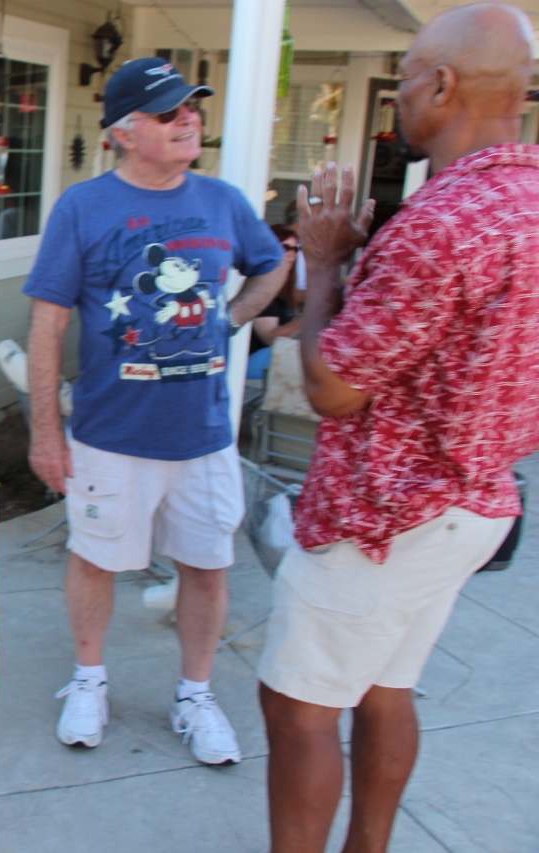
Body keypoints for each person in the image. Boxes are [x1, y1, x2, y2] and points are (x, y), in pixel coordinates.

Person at [257, 5, 539, 851]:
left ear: (444, 86)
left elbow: (334, 385)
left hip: (383, 514)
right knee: (387, 686)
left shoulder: (443, 220)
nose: (401, 99)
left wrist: (329, 260)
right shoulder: (525, 199)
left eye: (409, 80)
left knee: (299, 707)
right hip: (475, 500)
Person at [23, 57, 291, 764]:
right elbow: (47, 327)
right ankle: (89, 680)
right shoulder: (82, 208)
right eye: (170, 111)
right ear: (124, 131)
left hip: (203, 435)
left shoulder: (224, 200)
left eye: (191, 106)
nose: (188, 118)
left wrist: (231, 318)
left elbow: (272, 264)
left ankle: (194, 694)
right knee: (94, 557)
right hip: (110, 435)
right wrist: (46, 432)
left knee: (206, 565)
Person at [246, 225, 304, 381]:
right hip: (249, 363)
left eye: (296, 249)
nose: (291, 254)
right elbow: (271, 338)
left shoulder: (284, 288)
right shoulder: (261, 285)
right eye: (286, 247)